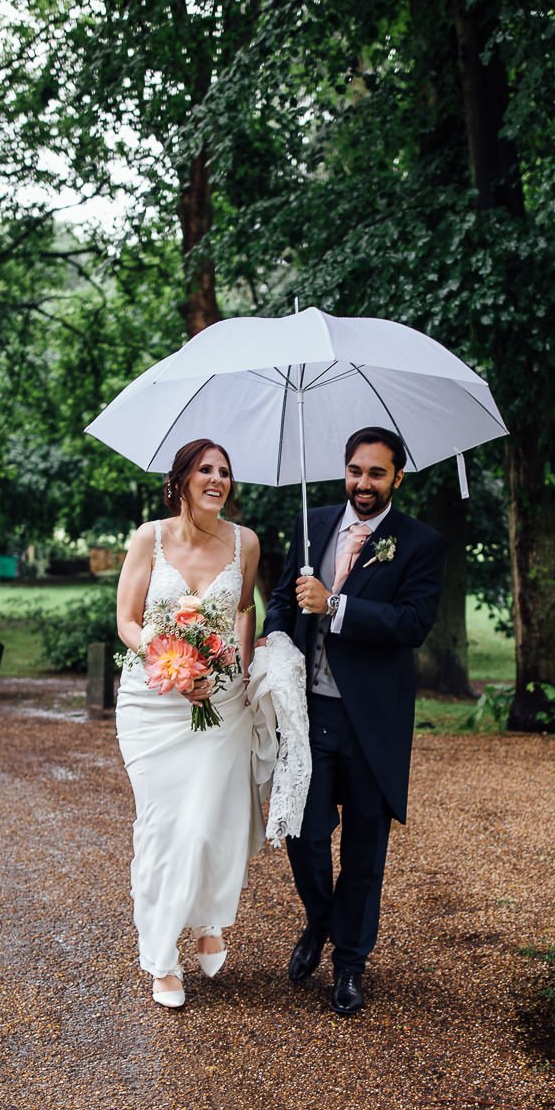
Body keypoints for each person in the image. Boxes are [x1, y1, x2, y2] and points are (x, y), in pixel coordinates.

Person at [261, 427, 444, 1016]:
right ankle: (321, 921)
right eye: (355, 472)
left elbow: (411, 623)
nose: (363, 485)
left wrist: (336, 605)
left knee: (365, 845)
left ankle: (349, 966)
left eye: (376, 474)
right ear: (344, 471)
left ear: (398, 477)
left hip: (373, 718)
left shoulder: (419, 543)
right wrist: (276, 637)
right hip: (309, 711)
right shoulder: (311, 522)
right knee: (305, 831)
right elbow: (285, 598)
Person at [114, 439, 264, 1008]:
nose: (217, 479)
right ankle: (160, 957)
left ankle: (207, 921)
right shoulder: (148, 538)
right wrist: (166, 660)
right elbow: (127, 621)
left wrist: (244, 675)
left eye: (225, 472)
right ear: (181, 479)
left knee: (207, 825)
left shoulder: (244, 542)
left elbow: (242, 613)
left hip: (222, 703)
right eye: (205, 469)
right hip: (152, 704)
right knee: (163, 825)